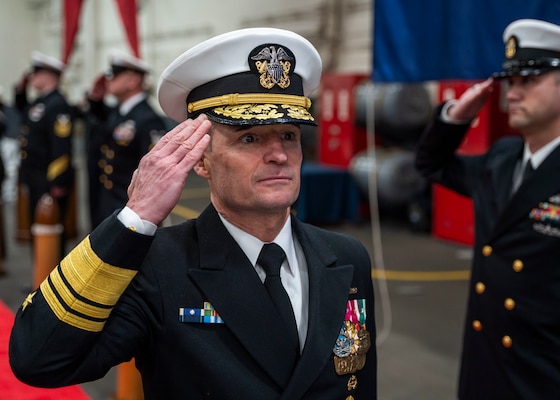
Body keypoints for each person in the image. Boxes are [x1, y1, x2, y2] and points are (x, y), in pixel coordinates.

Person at [9, 28, 377, 399]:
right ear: (201, 159)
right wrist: (133, 219)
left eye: (288, 136)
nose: (279, 155)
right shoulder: (158, 267)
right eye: (249, 138)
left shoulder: (345, 258)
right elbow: (38, 358)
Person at [415, 18, 560, 400]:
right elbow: (432, 165)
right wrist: (455, 118)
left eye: (528, 81)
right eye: (511, 82)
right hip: (486, 366)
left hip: (542, 377)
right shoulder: (501, 158)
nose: (512, 92)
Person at [86, 49, 167, 229]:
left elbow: (155, 171)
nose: (109, 80)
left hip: (130, 210)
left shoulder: (148, 119)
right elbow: (97, 124)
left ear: (132, 80)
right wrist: (95, 99)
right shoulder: (118, 112)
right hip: (107, 203)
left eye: (114, 76)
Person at [14, 51, 74, 254]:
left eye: (36, 72)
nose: (32, 77)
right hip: (34, 177)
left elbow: (61, 148)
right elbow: (22, 111)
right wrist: (19, 90)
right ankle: (39, 277)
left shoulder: (58, 105)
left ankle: (53, 278)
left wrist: (57, 182)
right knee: (37, 228)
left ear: (50, 76)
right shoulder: (40, 102)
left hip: (48, 180)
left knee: (51, 231)